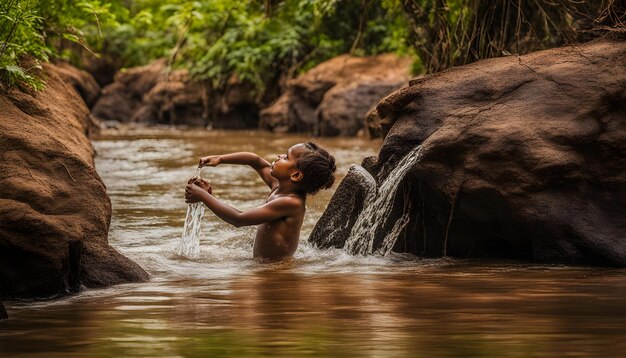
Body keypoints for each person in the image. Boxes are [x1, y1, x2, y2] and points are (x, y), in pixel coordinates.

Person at [185, 142, 336, 261]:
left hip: (276, 270)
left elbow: (239, 219)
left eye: (286, 157)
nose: (279, 156)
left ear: (295, 175)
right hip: (263, 264)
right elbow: (255, 161)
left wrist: (203, 196)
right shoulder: (279, 186)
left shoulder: (291, 203)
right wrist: (220, 159)